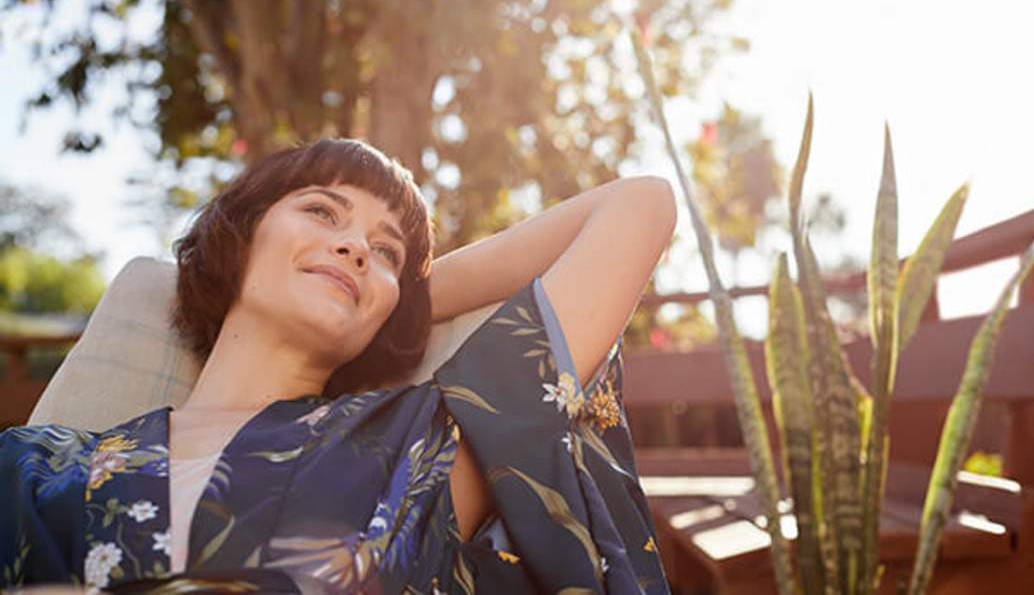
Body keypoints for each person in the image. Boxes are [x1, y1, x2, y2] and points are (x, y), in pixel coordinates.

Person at [1, 138, 677, 594]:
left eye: (384, 250)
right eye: (323, 211)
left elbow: (638, 205)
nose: (356, 245)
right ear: (240, 236)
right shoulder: (34, 462)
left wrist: (402, 303)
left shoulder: (420, 441)